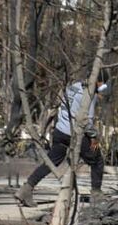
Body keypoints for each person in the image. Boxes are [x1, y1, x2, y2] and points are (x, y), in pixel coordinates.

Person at [15, 73, 108, 207]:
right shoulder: (89, 94)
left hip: (60, 131)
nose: (102, 88)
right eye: (102, 85)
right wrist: (94, 137)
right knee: (97, 160)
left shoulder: (73, 87)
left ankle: (26, 188)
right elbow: (86, 120)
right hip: (75, 134)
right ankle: (96, 194)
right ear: (99, 82)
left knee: (51, 162)